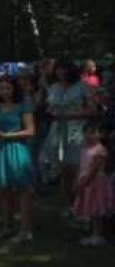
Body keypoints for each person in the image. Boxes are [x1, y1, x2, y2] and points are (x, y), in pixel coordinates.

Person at [0, 77, 37, 242]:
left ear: (14, 89)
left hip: (18, 149)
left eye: (7, 88)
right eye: (1, 88)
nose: (4, 92)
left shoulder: (23, 106)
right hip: (1, 150)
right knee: (5, 192)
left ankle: (26, 230)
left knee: (24, 192)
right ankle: (7, 226)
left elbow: (31, 131)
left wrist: (7, 135)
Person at [41, 61, 94, 199]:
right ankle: (69, 201)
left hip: (76, 129)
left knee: (77, 166)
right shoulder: (52, 88)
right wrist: (49, 111)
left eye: (64, 69)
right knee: (62, 168)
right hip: (57, 130)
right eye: (58, 70)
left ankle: (81, 203)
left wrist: (69, 115)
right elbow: (49, 108)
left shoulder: (83, 87)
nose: (60, 73)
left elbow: (92, 110)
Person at [73, 121, 112, 246]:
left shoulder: (100, 150)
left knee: (96, 208)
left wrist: (84, 182)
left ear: (101, 134)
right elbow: (80, 166)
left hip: (96, 183)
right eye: (86, 132)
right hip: (85, 182)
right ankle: (93, 232)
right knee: (90, 207)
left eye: (93, 133)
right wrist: (78, 180)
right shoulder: (84, 149)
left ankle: (98, 235)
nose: (89, 136)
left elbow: (94, 169)